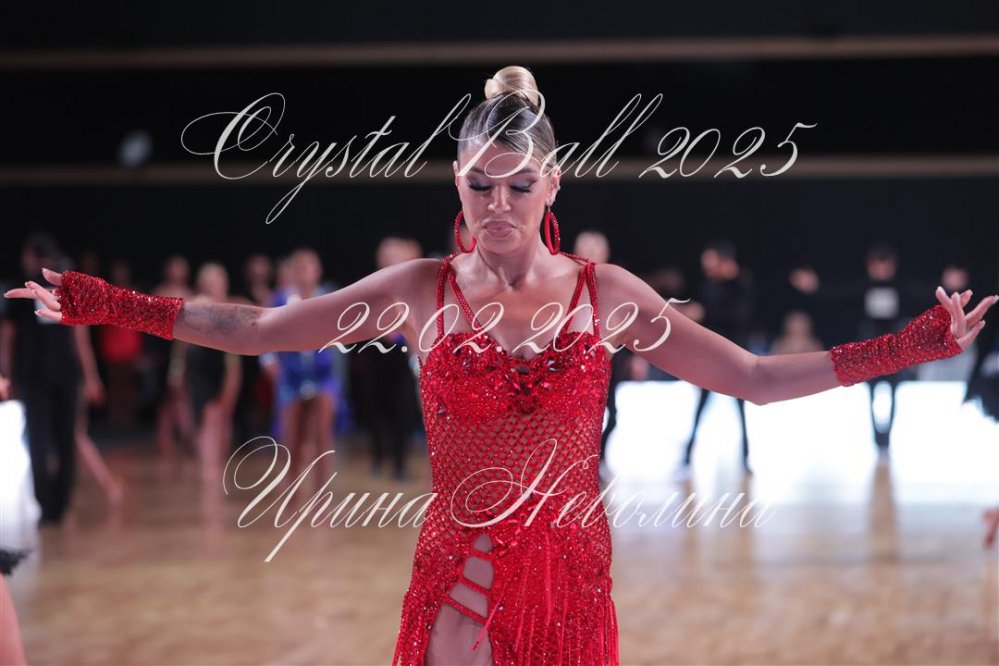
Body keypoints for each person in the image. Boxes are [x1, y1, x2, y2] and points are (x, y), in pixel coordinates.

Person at [6, 65, 993, 666]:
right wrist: (108, 303)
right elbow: (261, 329)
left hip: (570, 577)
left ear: (552, 182)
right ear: (457, 180)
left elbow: (756, 379)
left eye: (520, 185)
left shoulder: (605, 294)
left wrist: (908, 347)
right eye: (481, 184)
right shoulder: (417, 290)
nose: (499, 204)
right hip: (464, 572)